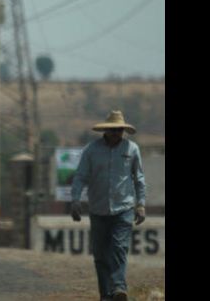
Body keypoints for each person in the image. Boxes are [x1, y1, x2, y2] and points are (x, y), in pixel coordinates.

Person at [70, 110, 146, 301]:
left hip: (124, 208)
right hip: (98, 209)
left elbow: (139, 179)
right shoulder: (91, 150)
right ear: (106, 130)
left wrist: (141, 205)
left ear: (123, 130)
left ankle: (119, 287)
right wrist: (75, 200)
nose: (116, 133)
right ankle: (106, 294)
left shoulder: (132, 149)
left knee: (119, 247)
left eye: (120, 130)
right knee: (101, 254)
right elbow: (80, 177)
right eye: (113, 130)